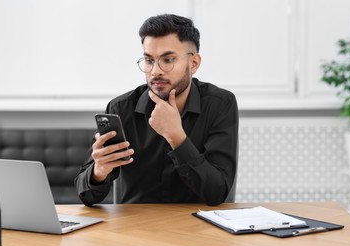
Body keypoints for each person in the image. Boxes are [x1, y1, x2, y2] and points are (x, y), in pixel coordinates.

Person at [75, 14, 239, 206]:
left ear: (193, 63)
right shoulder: (120, 108)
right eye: (149, 60)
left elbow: (217, 193)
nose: (155, 71)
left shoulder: (220, 104)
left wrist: (176, 137)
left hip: (198, 228)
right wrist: (99, 171)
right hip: (134, 229)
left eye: (168, 60)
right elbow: (85, 195)